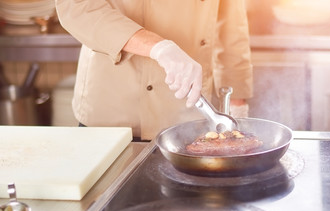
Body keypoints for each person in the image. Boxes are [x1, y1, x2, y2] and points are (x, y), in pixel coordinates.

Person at [55, 0, 253, 140]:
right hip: (117, 105)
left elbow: (231, 24)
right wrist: (158, 48)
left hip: (187, 111)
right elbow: (77, 7)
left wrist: (236, 102)